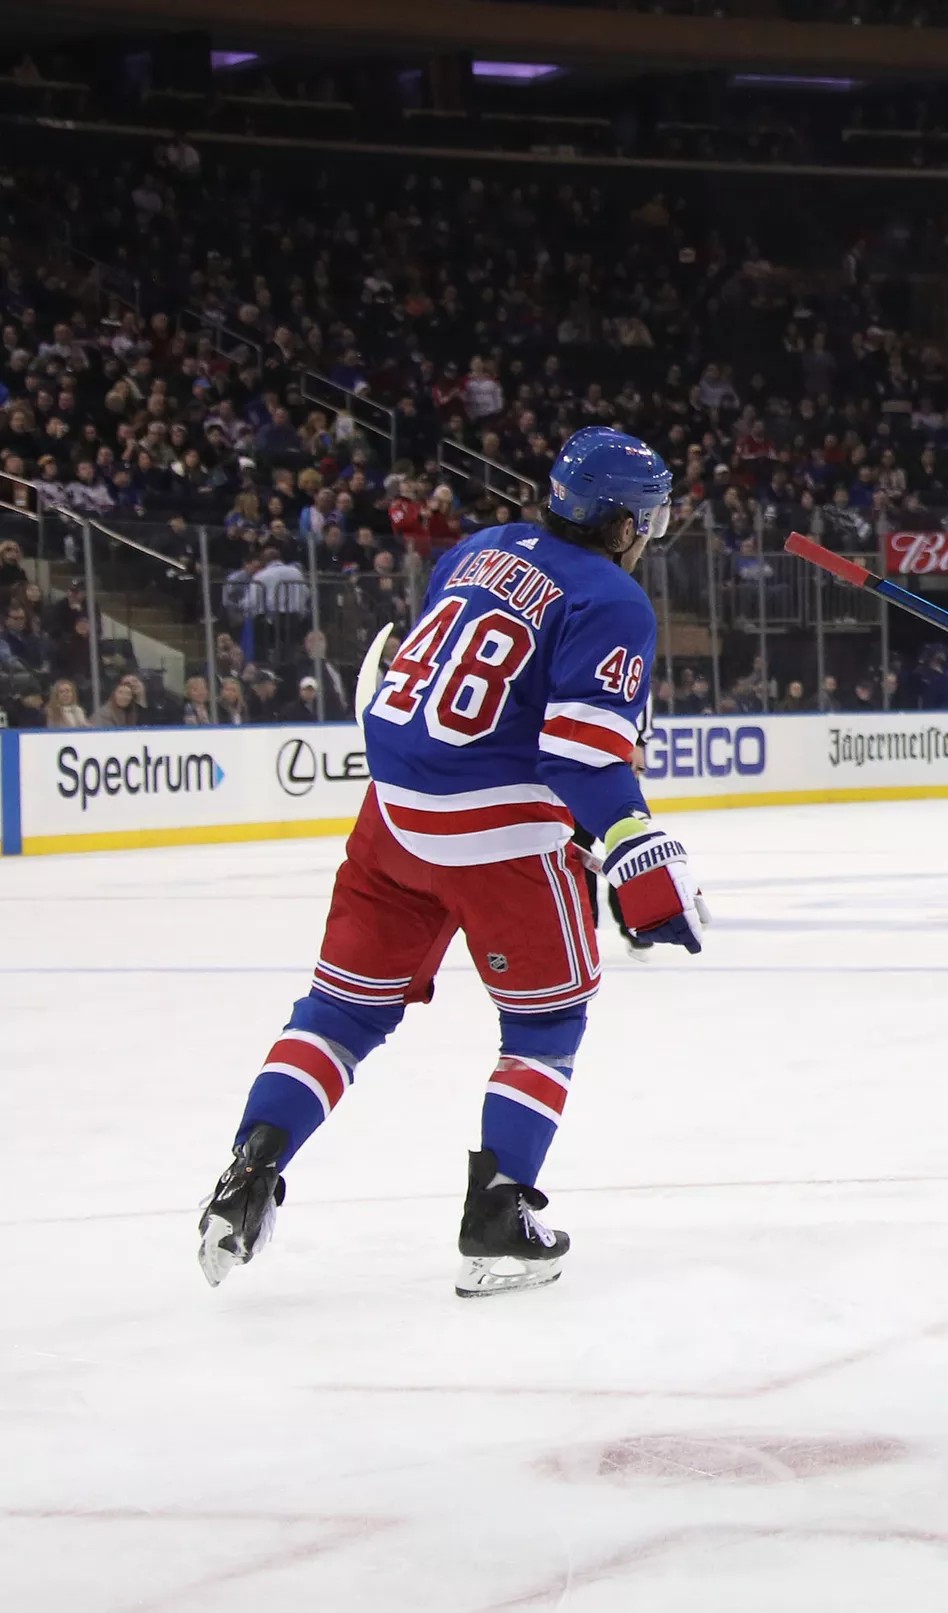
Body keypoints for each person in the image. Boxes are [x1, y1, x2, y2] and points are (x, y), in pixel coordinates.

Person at [195, 427, 707, 1298]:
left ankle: (249, 1170)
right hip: (496, 841)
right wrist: (645, 864)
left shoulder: (476, 549)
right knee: (546, 1026)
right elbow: (578, 756)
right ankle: (498, 1220)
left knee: (339, 1014)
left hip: (391, 818)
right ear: (623, 520)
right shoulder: (613, 598)